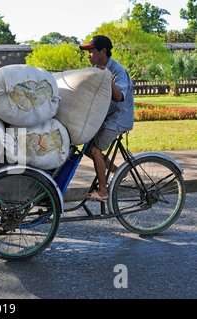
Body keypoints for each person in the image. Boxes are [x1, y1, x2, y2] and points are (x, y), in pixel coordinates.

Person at [79, 35, 134, 202]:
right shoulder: (97, 68)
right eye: (87, 51)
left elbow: (119, 97)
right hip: (105, 116)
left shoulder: (116, 70)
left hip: (118, 118)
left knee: (95, 151)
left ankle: (103, 192)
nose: (88, 54)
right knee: (88, 150)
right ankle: (118, 171)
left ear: (103, 51)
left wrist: (108, 79)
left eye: (91, 51)